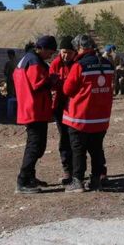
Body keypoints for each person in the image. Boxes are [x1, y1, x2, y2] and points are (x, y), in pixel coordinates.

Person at [62, 34, 114, 192]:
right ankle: (96, 179)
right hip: (101, 117)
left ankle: (77, 181)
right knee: (97, 149)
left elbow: (67, 90)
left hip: (80, 117)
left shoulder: (79, 65)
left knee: (78, 150)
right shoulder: (107, 64)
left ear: (79, 47)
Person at [13, 35, 57, 194]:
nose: (51, 56)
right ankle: (22, 181)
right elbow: (37, 84)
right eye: (50, 52)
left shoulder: (26, 58)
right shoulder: (34, 61)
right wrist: (52, 80)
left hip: (30, 107)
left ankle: (30, 177)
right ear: (43, 48)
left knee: (37, 145)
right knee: (35, 146)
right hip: (34, 109)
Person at [49, 36, 77, 185]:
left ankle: (79, 170)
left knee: (77, 139)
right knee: (64, 138)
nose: (65, 55)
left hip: (75, 108)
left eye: (68, 52)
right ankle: (68, 170)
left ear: (74, 53)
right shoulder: (55, 64)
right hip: (60, 107)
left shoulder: (78, 64)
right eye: (63, 52)